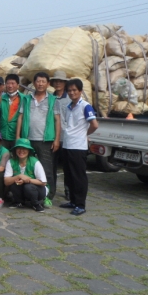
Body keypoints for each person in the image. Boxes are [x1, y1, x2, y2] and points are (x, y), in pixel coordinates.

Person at [16, 71, 60, 206]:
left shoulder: (53, 100)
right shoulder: (27, 99)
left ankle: (48, 196)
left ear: (48, 84)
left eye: (43, 81)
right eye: (38, 81)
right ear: (34, 83)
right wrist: (18, 136)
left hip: (45, 140)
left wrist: (56, 140)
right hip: (27, 140)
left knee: (47, 169)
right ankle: (28, 194)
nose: (40, 84)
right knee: (26, 168)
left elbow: (57, 120)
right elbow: (20, 117)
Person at [59, 79, 98, 216]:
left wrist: (84, 134)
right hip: (67, 145)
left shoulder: (85, 106)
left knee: (78, 176)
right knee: (69, 175)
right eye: (69, 90)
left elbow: (94, 125)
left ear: (80, 91)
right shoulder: (69, 106)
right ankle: (73, 201)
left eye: (74, 90)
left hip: (78, 147)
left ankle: (80, 205)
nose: (72, 93)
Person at [4, 138, 48, 212]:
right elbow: (6, 182)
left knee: (28, 187)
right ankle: (19, 202)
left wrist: (28, 180)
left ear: (29, 151)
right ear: (15, 150)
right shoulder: (11, 161)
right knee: (14, 184)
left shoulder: (35, 162)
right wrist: (19, 176)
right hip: (23, 189)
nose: (21, 151)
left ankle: (35, 204)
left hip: (38, 190)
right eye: (19, 148)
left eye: (24, 148)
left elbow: (43, 182)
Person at [51, 70, 71, 200]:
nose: (58, 83)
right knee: (52, 165)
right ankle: (51, 190)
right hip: (52, 137)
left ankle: (68, 190)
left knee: (67, 166)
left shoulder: (70, 98)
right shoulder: (50, 98)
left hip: (67, 138)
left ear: (64, 83)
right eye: (56, 81)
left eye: (60, 81)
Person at [0, 74, 27, 151]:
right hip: (3, 136)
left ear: (18, 85)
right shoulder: (1, 99)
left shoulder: (24, 99)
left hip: (17, 136)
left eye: (12, 83)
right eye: (8, 83)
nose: (10, 86)